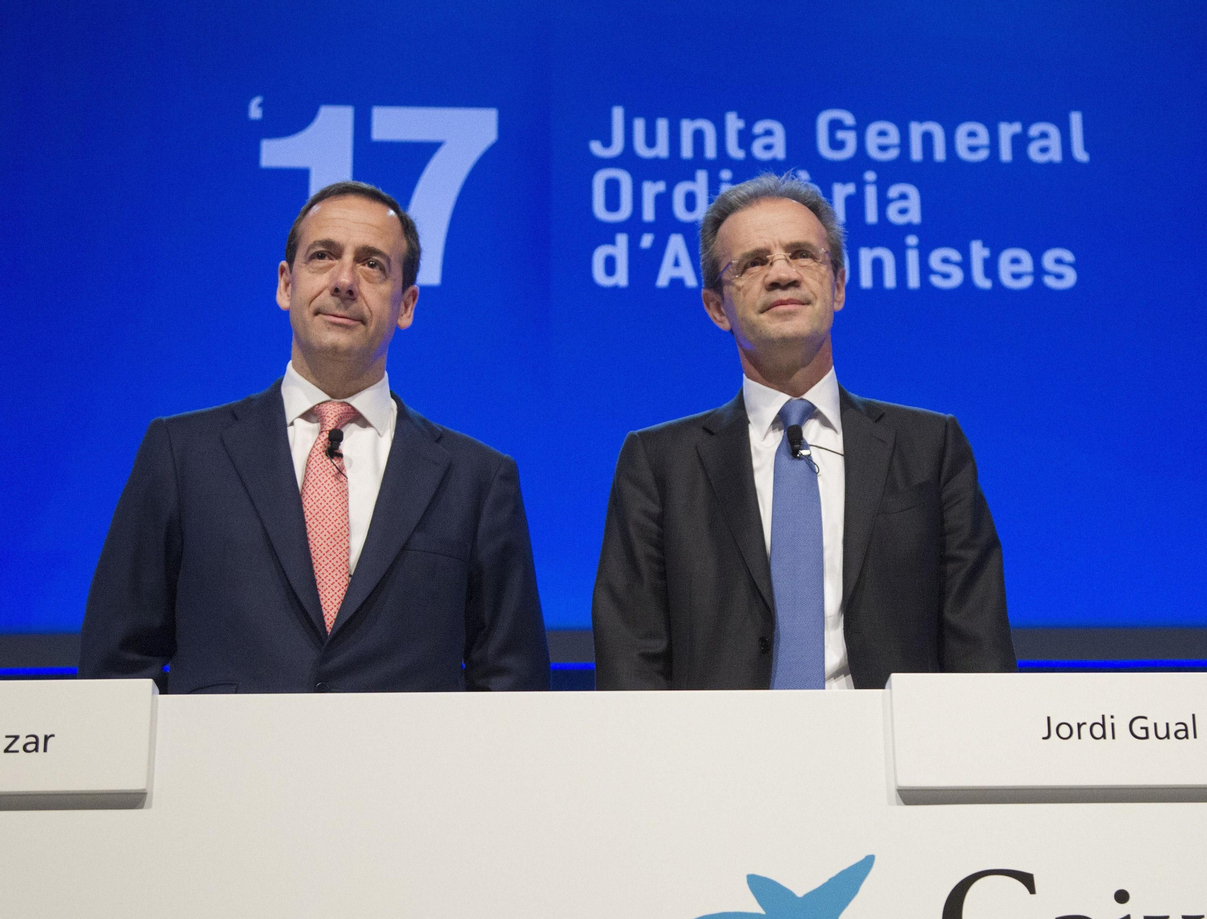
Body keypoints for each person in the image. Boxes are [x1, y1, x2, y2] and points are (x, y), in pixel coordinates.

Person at [80, 181, 549, 692]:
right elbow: (117, 668)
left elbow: (512, 685)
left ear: (406, 305)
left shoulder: (478, 481)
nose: (344, 281)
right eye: (323, 256)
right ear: (286, 284)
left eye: (372, 264)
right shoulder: (182, 455)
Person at [593, 173, 1015, 689]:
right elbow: (630, 657)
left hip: (888, 737)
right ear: (717, 307)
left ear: (837, 286)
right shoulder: (658, 464)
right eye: (753, 263)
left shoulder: (931, 448)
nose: (782, 274)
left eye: (802, 255)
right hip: (720, 741)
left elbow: (979, 648)